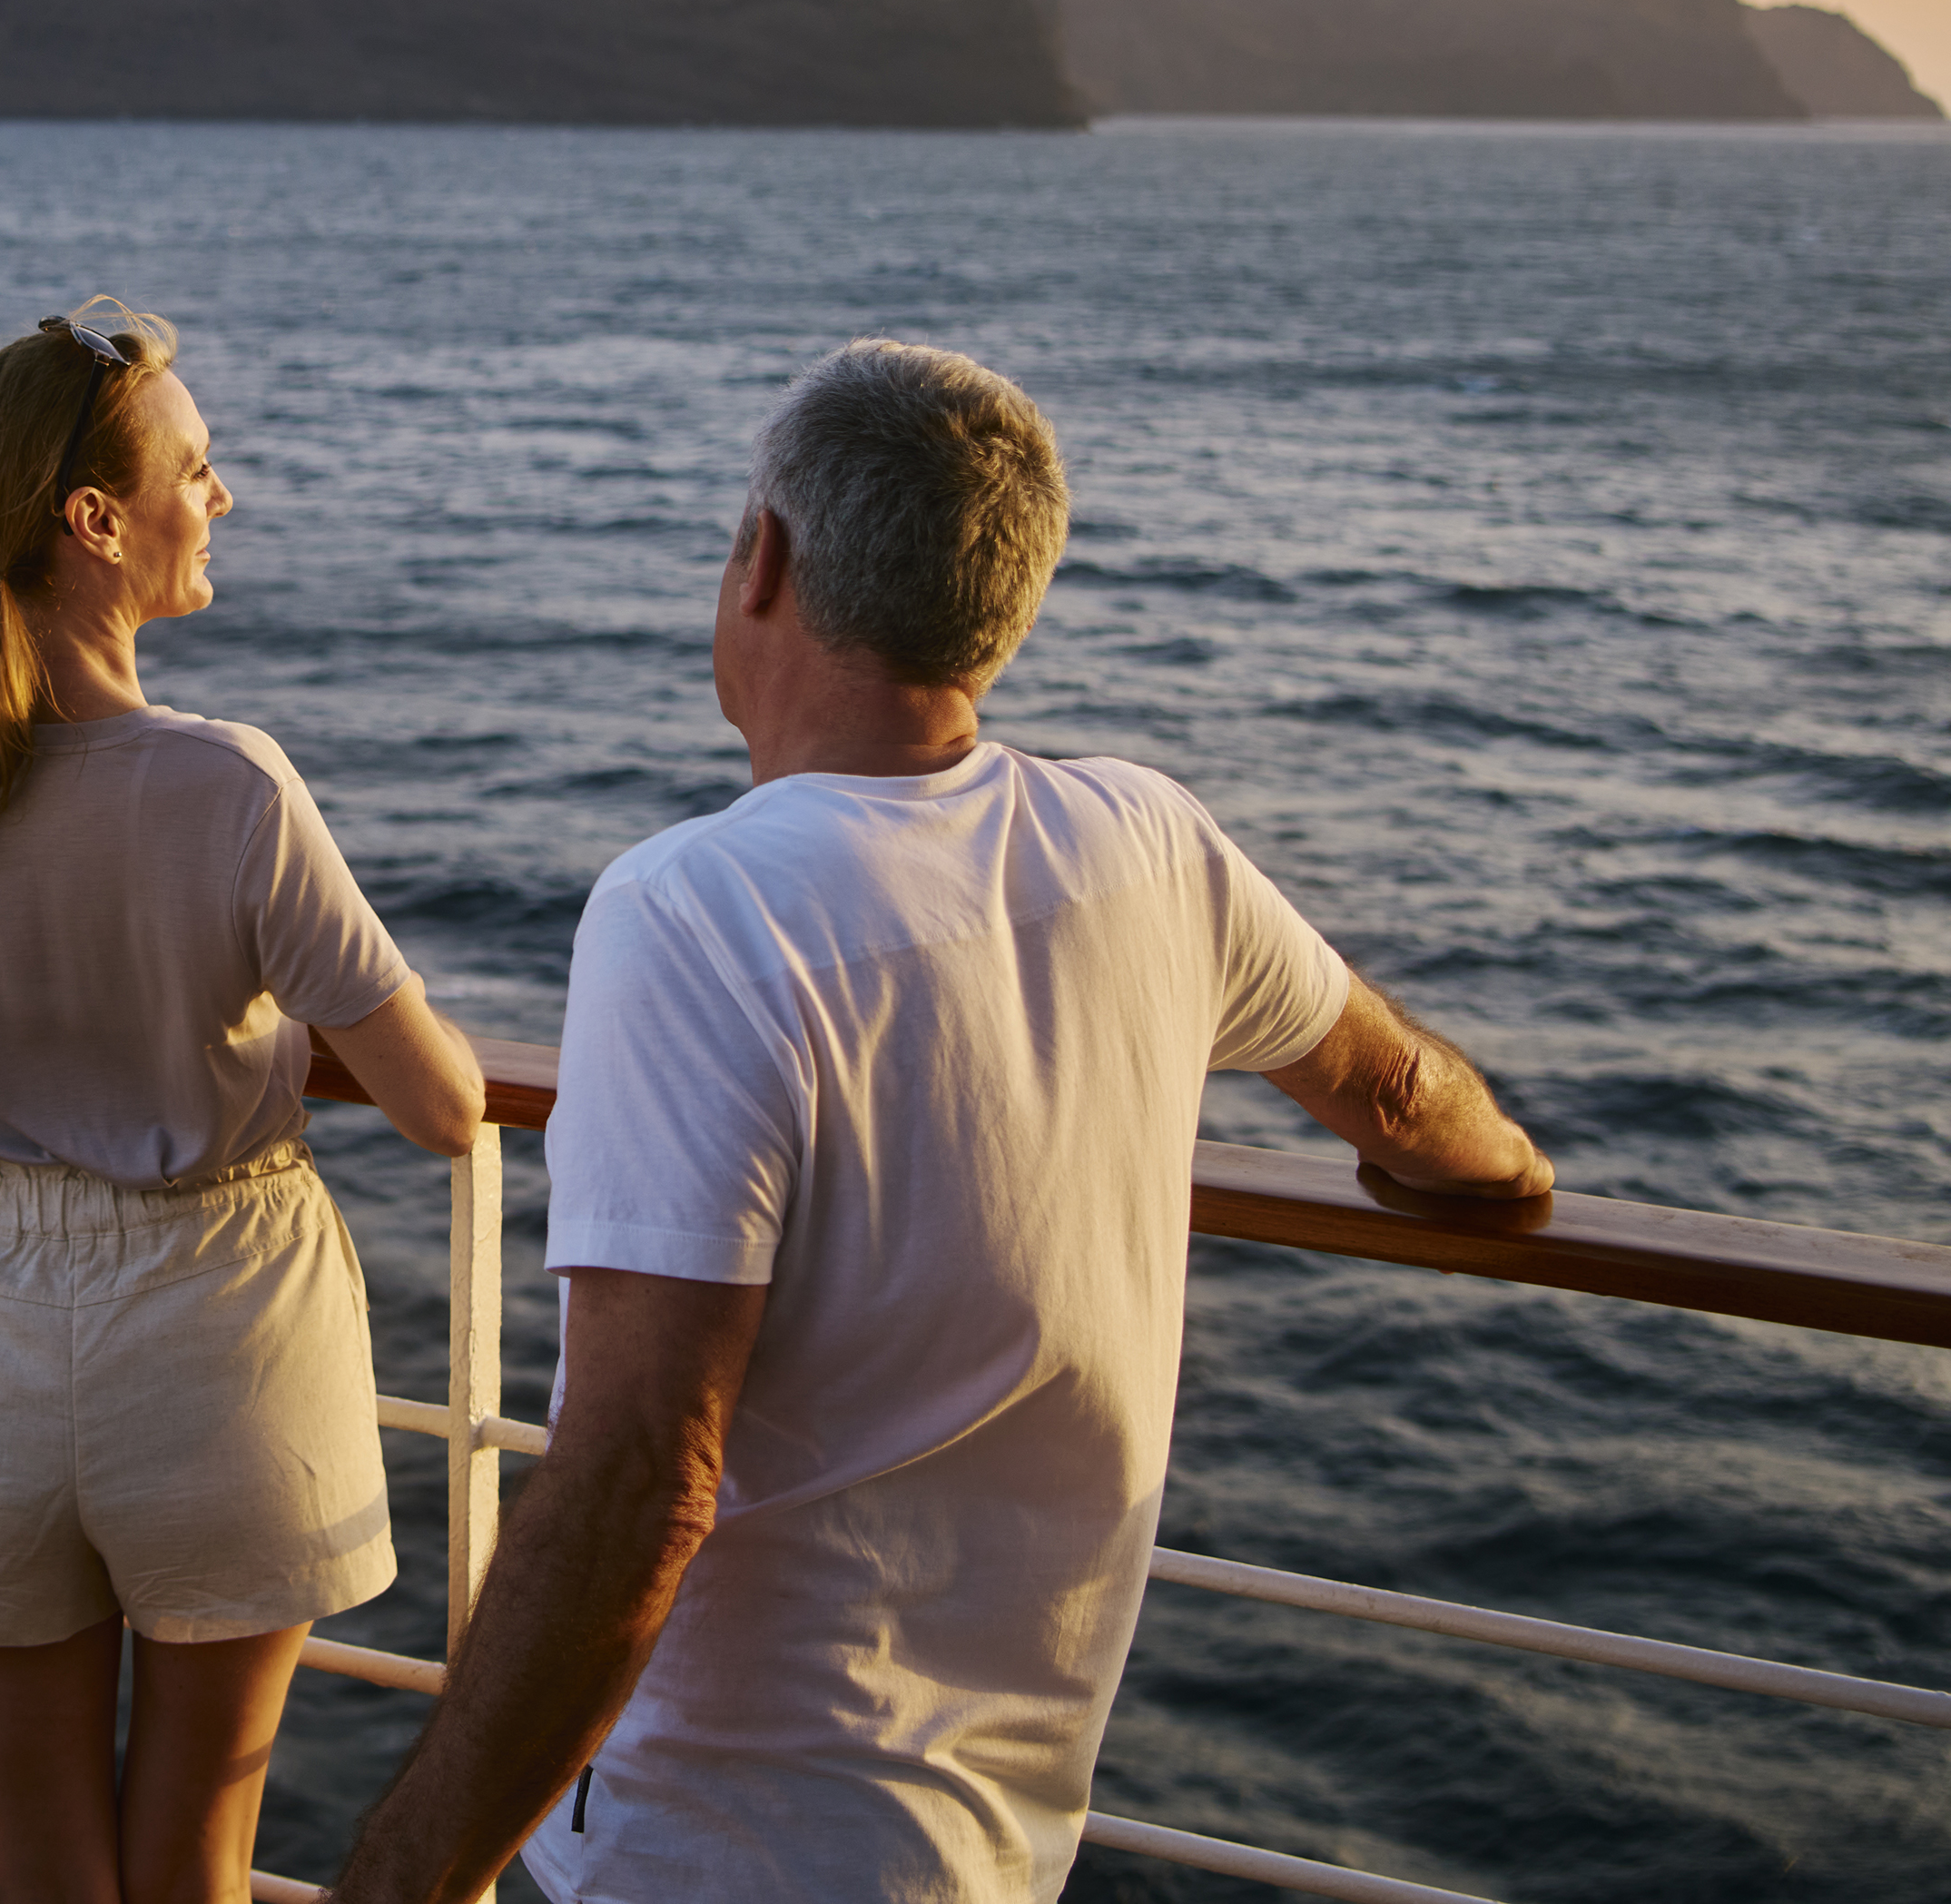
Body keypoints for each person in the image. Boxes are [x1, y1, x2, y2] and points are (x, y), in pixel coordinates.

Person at [329, 338, 1556, 1904]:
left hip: (722, 1851)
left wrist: (406, 1875)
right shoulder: (1150, 842)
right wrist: (1515, 1170)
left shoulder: (699, 911)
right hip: (999, 1844)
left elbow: (641, 1476)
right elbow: (1400, 1099)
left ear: (763, 561)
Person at [0, 298, 488, 1904]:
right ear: (98, 522)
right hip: (220, 1331)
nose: (221, 496)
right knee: (194, 1863)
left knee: (32, 1866)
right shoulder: (228, 785)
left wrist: (0, 1012)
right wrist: (216, 1010)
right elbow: (444, 1108)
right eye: (197, 469)